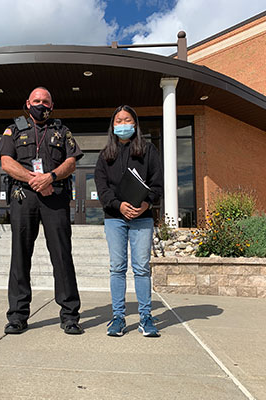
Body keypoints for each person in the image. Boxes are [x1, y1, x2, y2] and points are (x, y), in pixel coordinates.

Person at [0, 87, 84, 335]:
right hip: (24, 198)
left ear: (52, 106)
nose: (41, 105)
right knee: (20, 257)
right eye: (36, 101)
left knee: (62, 256)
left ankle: (69, 315)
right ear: (28, 103)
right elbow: (6, 161)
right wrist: (35, 180)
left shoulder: (62, 131)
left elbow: (72, 161)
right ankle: (17, 316)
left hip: (55, 197)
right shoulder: (14, 129)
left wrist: (50, 177)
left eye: (45, 101)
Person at [94, 105, 164, 337]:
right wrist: (119, 205)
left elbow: (157, 184)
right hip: (115, 218)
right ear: (113, 126)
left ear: (135, 124)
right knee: (117, 268)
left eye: (127, 120)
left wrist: (146, 204)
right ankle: (118, 317)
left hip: (142, 218)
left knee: (142, 268)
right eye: (119, 120)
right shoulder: (105, 156)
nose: (123, 124)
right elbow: (103, 189)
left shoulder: (148, 151)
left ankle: (146, 317)